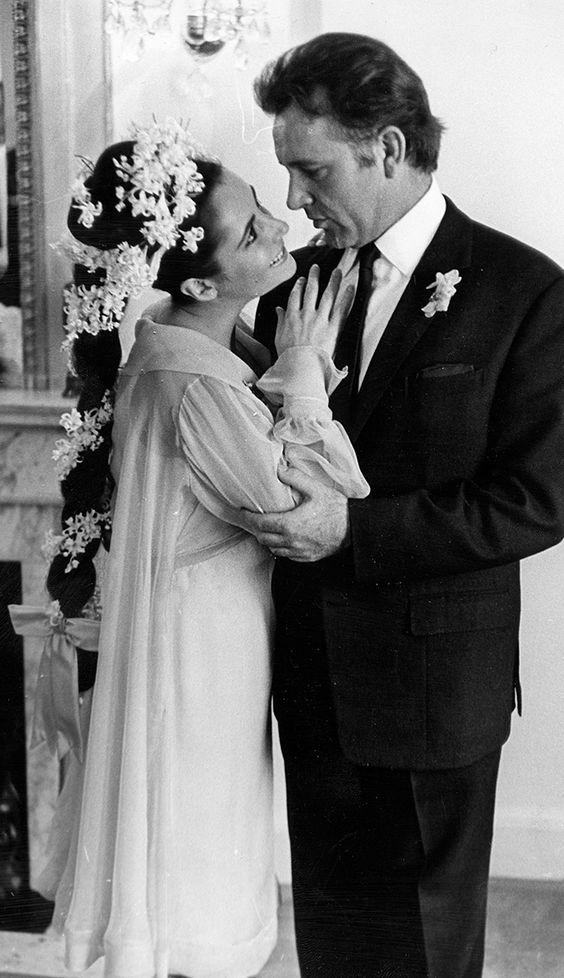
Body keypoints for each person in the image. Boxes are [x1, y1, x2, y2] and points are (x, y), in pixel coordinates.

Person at [245, 32, 564, 978]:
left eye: (311, 170)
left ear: (386, 148)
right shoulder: (289, 289)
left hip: (435, 694)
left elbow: (537, 499)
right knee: (335, 949)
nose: (295, 201)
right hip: (310, 687)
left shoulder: (525, 292)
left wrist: (352, 528)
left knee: (425, 955)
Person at [28, 121, 369, 978]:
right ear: (205, 276)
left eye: (262, 205)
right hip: (198, 658)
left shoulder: (190, 347)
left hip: (209, 639)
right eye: (254, 230)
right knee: (196, 856)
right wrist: (304, 368)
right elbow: (309, 509)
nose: (283, 227)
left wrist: (289, 367)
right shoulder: (191, 382)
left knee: (202, 838)